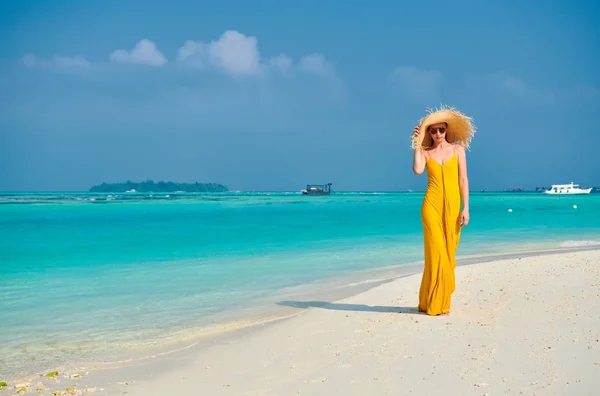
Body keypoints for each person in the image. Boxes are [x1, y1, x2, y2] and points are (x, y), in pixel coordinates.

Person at [410, 106, 476, 316]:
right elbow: (418, 170)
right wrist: (417, 144)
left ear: (446, 130)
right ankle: (436, 304)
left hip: (453, 208)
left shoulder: (458, 150)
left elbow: (463, 179)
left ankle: (428, 300)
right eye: (433, 130)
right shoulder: (425, 152)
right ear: (428, 132)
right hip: (431, 205)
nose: (437, 134)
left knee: (448, 253)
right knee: (436, 252)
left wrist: (466, 207)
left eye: (441, 130)